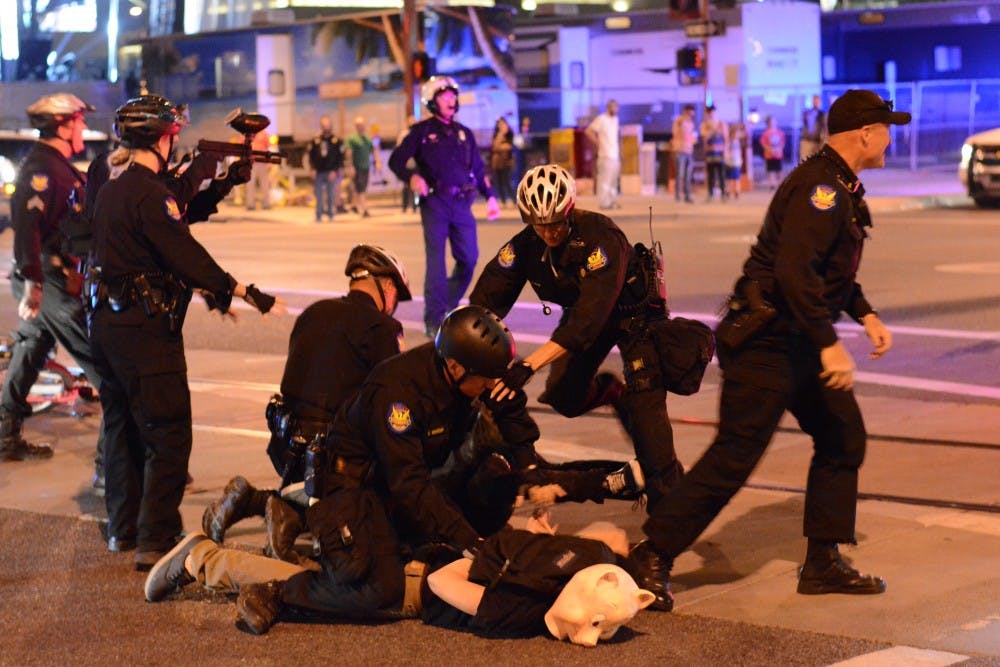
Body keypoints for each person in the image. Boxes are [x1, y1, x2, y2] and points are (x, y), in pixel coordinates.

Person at [628, 89, 910, 611]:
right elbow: (794, 272)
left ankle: (822, 561)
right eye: (887, 127)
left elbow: (829, 274)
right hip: (767, 345)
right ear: (866, 133)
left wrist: (865, 314)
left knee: (843, 435)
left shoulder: (839, 185)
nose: (892, 137)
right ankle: (651, 552)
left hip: (796, 340)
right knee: (735, 456)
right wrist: (830, 346)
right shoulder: (820, 190)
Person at [88, 94, 288, 571]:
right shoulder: (149, 194)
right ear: (162, 136)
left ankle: (124, 529)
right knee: (168, 432)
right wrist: (240, 289)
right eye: (173, 134)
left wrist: (220, 185)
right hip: (144, 331)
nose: (176, 142)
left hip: (107, 328)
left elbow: (174, 215)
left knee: (121, 429)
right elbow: (182, 250)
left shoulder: (116, 189)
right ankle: (155, 540)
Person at [469, 164, 691, 527]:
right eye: (540, 225)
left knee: (648, 415)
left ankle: (669, 516)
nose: (549, 232)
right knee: (563, 396)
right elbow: (484, 301)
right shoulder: (526, 245)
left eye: (556, 222)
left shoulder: (601, 236)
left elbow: (588, 320)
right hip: (586, 317)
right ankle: (611, 393)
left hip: (634, 316)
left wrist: (526, 367)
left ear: (570, 210)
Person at [143, 512, 654, 645]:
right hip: (409, 586)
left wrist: (514, 545)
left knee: (310, 576)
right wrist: (490, 557)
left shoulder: (557, 569)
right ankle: (203, 560)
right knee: (308, 591)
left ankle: (222, 554)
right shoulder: (527, 607)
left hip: (417, 562)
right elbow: (442, 586)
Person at [201, 244, 412, 550]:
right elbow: (392, 398)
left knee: (311, 491)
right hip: (336, 456)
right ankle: (287, 519)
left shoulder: (313, 313)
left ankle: (249, 501)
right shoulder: (383, 328)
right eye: (396, 295)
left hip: (288, 447)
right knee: (377, 506)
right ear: (387, 285)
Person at [1, 94, 103, 462]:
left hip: (49, 279)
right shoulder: (42, 170)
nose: (82, 128)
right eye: (77, 121)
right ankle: (118, 461)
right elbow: (27, 226)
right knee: (102, 363)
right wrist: (34, 282)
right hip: (49, 281)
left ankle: (5, 433)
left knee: (31, 350)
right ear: (62, 125)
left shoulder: (57, 165)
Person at [388, 76, 500, 338]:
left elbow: (479, 170)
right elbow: (396, 160)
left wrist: (491, 197)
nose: (451, 100)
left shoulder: (465, 134)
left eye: (453, 95)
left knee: (469, 259)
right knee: (436, 262)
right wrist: (412, 177)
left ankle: (448, 304)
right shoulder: (421, 132)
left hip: (462, 204)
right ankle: (434, 317)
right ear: (432, 101)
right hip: (435, 203)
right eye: (444, 96)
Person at [307, 115, 344, 222]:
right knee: (318, 194)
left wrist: (335, 170)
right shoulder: (316, 140)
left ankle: (331, 214)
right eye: (324, 125)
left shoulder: (336, 141)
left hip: (331, 171)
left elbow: (340, 157)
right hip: (318, 171)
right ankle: (318, 214)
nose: (326, 127)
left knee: (331, 193)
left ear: (331, 126)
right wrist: (313, 168)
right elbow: (311, 155)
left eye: (327, 125)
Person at [585, 100, 621, 210]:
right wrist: (597, 142)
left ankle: (612, 201)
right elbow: (589, 131)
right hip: (605, 155)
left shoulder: (615, 120)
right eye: (612, 107)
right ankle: (604, 203)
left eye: (615, 107)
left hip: (614, 155)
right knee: (605, 180)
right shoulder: (602, 119)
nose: (614, 109)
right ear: (608, 107)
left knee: (613, 180)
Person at [345, 116, 380, 218]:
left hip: (366, 166)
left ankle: (354, 206)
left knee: (360, 188)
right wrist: (350, 166)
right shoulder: (352, 139)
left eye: (362, 125)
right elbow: (349, 153)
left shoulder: (367, 138)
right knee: (361, 189)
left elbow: (373, 150)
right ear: (356, 126)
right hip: (357, 167)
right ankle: (364, 209)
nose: (361, 127)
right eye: (359, 125)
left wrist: (377, 161)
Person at [700, 105, 728, 201]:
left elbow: (726, 139)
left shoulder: (721, 123)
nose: (711, 114)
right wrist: (711, 129)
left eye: (713, 112)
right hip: (710, 153)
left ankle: (723, 194)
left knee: (722, 174)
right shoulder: (705, 124)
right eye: (709, 112)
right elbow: (704, 137)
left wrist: (726, 151)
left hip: (720, 153)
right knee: (710, 174)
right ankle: (710, 194)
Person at [671, 104, 697, 204]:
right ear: (686, 111)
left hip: (689, 150)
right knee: (680, 173)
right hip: (679, 150)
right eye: (690, 112)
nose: (692, 115)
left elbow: (691, 136)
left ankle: (687, 195)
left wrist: (693, 141)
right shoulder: (679, 121)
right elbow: (675, 133)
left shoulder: (691, 123)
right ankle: (677, 195)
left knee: (688, 174)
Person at [245, 128, 273, 211]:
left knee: (265, 184)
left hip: (262, 162)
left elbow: (269, 148)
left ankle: (266, 204)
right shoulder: (246, 134)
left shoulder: (263, 134)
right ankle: (250, 204)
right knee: (250, 184)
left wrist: (270, 162)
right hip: (251, 163)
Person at [489, 117, 515, 206]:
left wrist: (499, 146)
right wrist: (501, 141)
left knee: (507, 182)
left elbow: (509, 146)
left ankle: (514, 200)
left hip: (506, 162)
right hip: (497, 163)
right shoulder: (497, 134)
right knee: (499, 183)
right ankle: (503, 201)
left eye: (502, 123)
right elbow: (494, 147)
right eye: (499, 124)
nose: (501, 125)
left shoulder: (509, 134)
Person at [396, 115, 417, 213]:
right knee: (406, 185)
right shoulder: (404, 134)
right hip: (406, 163)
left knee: (416, 184)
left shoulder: (419, 133)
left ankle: (414, 206)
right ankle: (404, 206)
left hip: (416, 163)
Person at [760, 115, 786, 190]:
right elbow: (763, 143)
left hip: (778, 155)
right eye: (771, 121)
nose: (772, 123)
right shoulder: (765, 133)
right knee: (770, 170)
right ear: (768, 123)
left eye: (774, 121)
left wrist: (778, 149)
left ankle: (780, 184)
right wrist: (770, 150)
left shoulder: (780, 132)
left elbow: (782, 142)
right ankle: (772, 184)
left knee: (779, 170)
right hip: (769, 155)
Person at [800, 94, 827, 161]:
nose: (816, 102)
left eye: (817, 101)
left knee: (815, 161)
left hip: (817, 141)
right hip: (806, 140)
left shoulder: (822, 114)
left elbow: (824, 128)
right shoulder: (807, 113)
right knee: (804, 161)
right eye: (815, 100)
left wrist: (823, 140)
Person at [724, 122, 746, 200]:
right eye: (735, 133)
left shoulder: (738, 142)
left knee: (737, 178)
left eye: (737, 133)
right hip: (729, 163)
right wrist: (726, 159)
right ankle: (728, 191)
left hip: (737, 163)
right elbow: (726, 152)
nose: (736, 135)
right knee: (729, 179)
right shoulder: (728, 142)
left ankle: (737, 191)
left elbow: (745, 133)